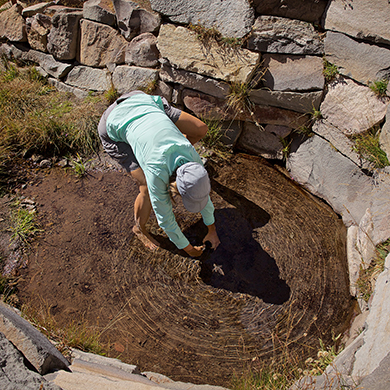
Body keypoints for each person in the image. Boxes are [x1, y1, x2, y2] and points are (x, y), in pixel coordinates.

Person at [98, 91, 220, 257]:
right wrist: (189, 249)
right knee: (146, 188)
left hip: (145, 103)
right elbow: (166, 221)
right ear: (174, 186)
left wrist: (212, 230)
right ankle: (139, 229)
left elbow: (202, 193)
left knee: (200, 129)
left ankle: (155, 141)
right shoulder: (156, 173)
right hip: (113, 121)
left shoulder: (194, 160)